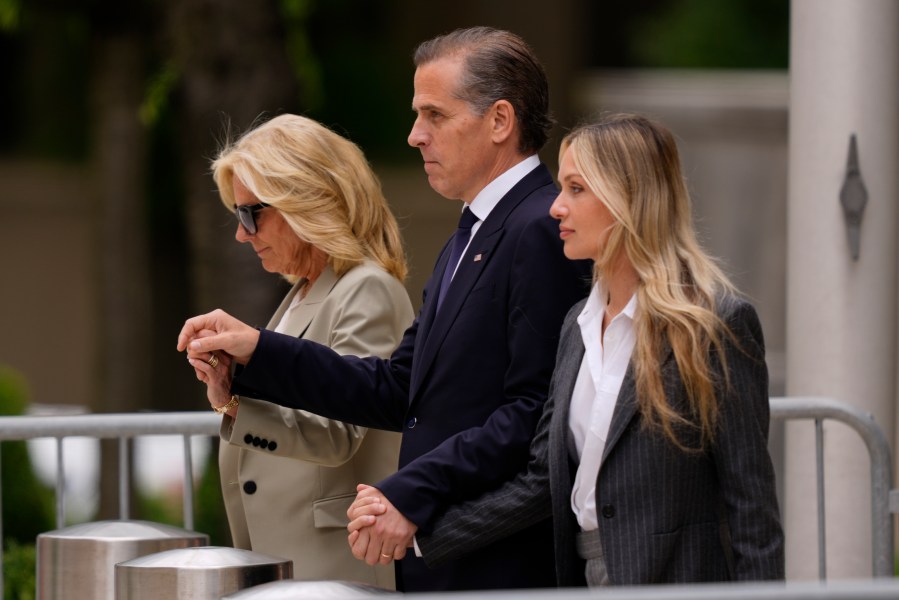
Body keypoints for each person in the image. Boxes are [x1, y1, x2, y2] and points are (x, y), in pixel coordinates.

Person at [178, 27, 591, 592]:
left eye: (434, 115)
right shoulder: (474, 231)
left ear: (499, 121)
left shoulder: (540, 227)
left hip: (494, 562)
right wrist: (256, 353)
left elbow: (533, 412)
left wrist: (411, 492)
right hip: (445, 553)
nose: (414, 135)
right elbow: (397, 389)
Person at [349, 113, 785, 586]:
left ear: (630, 200)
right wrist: (419, 532)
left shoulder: (715, 323)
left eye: (576, 189)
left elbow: (752, 509)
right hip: (582, 581)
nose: (556, 207)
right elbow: (543, 484)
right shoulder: (576, 328)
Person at [185, 113, 414, 588]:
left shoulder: (367, 288)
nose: (241, 233)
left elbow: (337, 433)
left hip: (335, 567)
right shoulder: (307, 291)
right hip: (295, 562)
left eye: (251, 213)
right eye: (237, 215)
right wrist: (228, 395)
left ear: (308, 202)